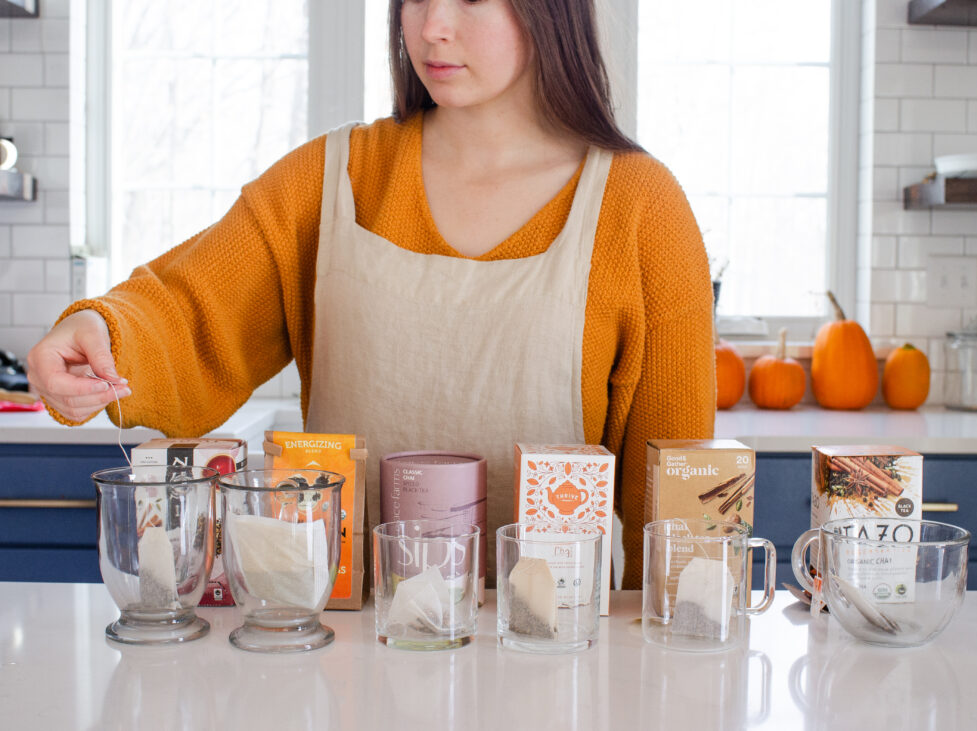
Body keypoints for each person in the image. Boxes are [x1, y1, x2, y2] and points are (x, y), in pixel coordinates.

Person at [26, 0, 714, 589]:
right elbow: (189, 306)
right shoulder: (332, 179)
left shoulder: (639, 209)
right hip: (346, 656)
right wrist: (99, 330)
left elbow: (678, 510)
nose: (432, 27)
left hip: (550, 663)